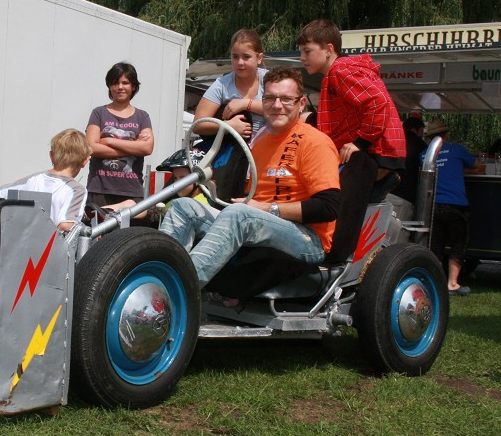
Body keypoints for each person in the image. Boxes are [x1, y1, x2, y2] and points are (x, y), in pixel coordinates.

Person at [159, 66, 340, 288]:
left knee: (240, 215)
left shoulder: (315, 142)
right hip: (260, 223)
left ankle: (176, 289)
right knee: (182, 206)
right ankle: (158, 272)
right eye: (271, 98)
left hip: (308, 241)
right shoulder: (260, 142)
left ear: (301, 104)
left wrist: (266, 208)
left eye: (286, 99)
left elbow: (329, 207)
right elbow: (249, 197)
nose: (277, 105)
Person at [296, 19, 405, 204]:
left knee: (333, 205)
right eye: (301, 52)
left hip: (374, 152)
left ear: (329, 49)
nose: (302, 58)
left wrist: (359, 143)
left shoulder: (340, 70)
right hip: (378, 152)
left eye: (307, 51)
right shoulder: (340, 71)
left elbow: (378, 102)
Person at [192, 29, 268, 201]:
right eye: (235, 57)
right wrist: (228, 127)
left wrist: (245, 103)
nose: (240, 62)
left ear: (259, 58)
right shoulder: (221, 84)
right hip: (234, 159)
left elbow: (286, 109)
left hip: (267, 153)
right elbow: (198, 124)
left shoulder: (270, 80)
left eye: (246, 57)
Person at [422, 119, 484, 296]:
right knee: (458, 244)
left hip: (433, 204)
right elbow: (478, 166)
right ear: (446, 135)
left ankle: (434, 281)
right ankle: (452, 284)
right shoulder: (457, 150)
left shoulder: (424, 155)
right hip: (456, 204)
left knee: (436, 245)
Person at [0, 128, 91, 231]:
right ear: (85, 161)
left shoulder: (32, 179)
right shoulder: (77, 190)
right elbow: (65, 226)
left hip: (22, 241)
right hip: (51, 246)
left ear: (51, 156)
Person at [85, 62, 154, 208]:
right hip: (99, 188)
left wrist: (108, 140)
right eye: (115, 83)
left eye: (125, 83)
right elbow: (91, 147)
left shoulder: (142, 116)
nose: (120, 87)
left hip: (131, 191)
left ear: (133, 86)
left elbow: (147, 148)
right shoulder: (98, 113)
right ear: (109, 86)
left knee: (128, 232)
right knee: (98, 230)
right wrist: (134, 146)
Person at [392, 114, 428, 203]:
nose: (422, 135)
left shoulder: (393, 140)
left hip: (388, 188)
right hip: (408, 192)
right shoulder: (421, 145)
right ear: (417, 130)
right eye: (422, 132)